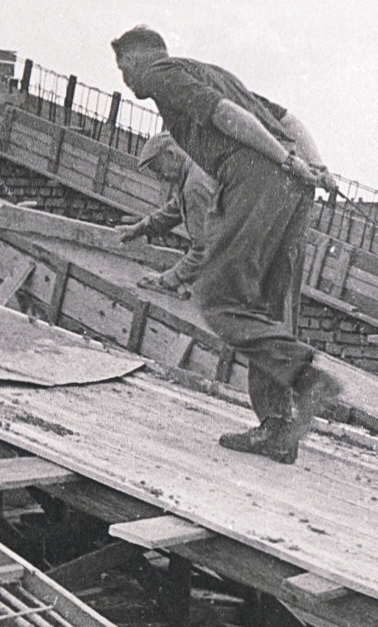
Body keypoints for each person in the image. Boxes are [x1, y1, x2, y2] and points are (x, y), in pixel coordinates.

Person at [111, 25, 345, 464]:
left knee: (219, 294)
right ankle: (277, 429)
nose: (125, 79)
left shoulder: (162, 74)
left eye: (124, 69)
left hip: (259, 175)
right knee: (269, 305)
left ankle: (305, 377)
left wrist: (283, 159)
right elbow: (287, 118)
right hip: (293, 186)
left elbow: (224, 116)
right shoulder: (211, 70)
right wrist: (315, 165)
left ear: (141, 59)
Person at [115, 132, 216, 294]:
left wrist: (169, 278)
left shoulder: (195, 185)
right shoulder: (194, 170)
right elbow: (173, 210)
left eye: (158, 169)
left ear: (170, 154)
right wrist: (139, 228)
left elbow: (204, 249)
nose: (160, 177)